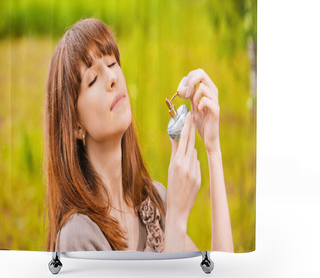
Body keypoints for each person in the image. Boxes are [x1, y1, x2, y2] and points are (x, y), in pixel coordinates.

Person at [44, 18, 233, 253]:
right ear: (75, 125)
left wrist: (213, 150)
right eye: (93, 79)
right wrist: (176, 220)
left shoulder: (154, 203)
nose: (112, 78)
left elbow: (224, 272)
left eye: (112, 64)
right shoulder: (77, 236)